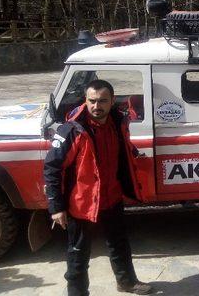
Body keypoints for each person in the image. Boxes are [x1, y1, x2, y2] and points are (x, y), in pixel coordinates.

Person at [44, 80, 153, 296]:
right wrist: (56, 208)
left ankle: (127, 282)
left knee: (119, 244)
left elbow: (122, 150)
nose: (97, 106)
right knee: (78, 254)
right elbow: (52, 168)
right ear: (85, 100)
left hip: (111, 197)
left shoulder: (118, 122)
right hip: (81, 204)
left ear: (112, 101)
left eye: (103, 101)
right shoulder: (72, 131)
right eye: (92, 101)